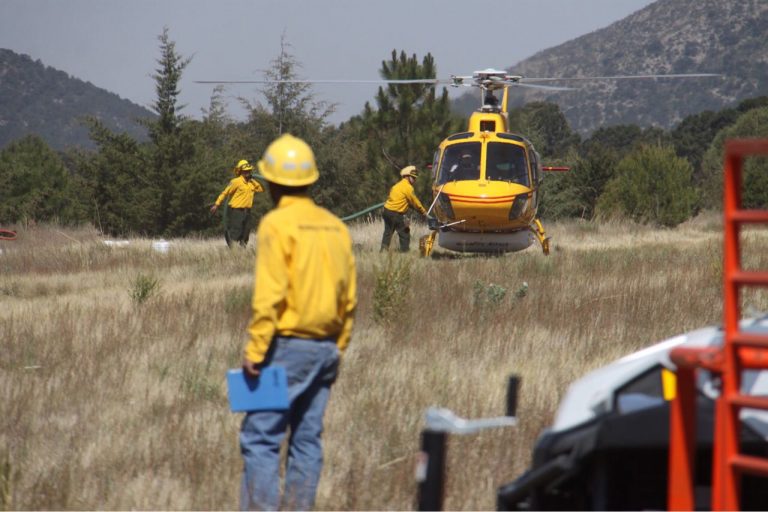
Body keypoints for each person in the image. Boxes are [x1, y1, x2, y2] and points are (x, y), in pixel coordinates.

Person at [239, 134, 357, 511]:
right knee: (307, 441)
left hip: (285, 349)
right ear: (310, 179)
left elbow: (270, 294)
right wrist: (338, 348)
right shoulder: (335, 226)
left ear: (272, 183)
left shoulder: (276, 224)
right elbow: (349, 297)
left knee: (261, 439)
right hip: (326, 349)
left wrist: (256, 350)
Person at [210, 159, 264, 247]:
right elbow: (225, 192)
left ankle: (242, 251)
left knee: (246, 233)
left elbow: (260, 189)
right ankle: (232, 249)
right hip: (236, 211)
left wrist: (252, 180)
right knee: (236, 232)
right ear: (240, 171)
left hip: (247, 211)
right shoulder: (236, 182)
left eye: (249, 171)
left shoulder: (251, 183)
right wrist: (216, 204)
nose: (248, 172)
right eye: (245, 171)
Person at [380, 165, 427, 252]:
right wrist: (423, 212)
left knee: (388, 232)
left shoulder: (396, 186)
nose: (414, 180)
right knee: (405, 233)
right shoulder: (408, 188)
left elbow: (397, 199)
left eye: (415, 178)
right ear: (407, 176)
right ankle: (405, 253)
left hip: (386, 211)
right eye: (413, 177)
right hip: (395, 213)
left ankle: (383, 251)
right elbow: (415, 201)